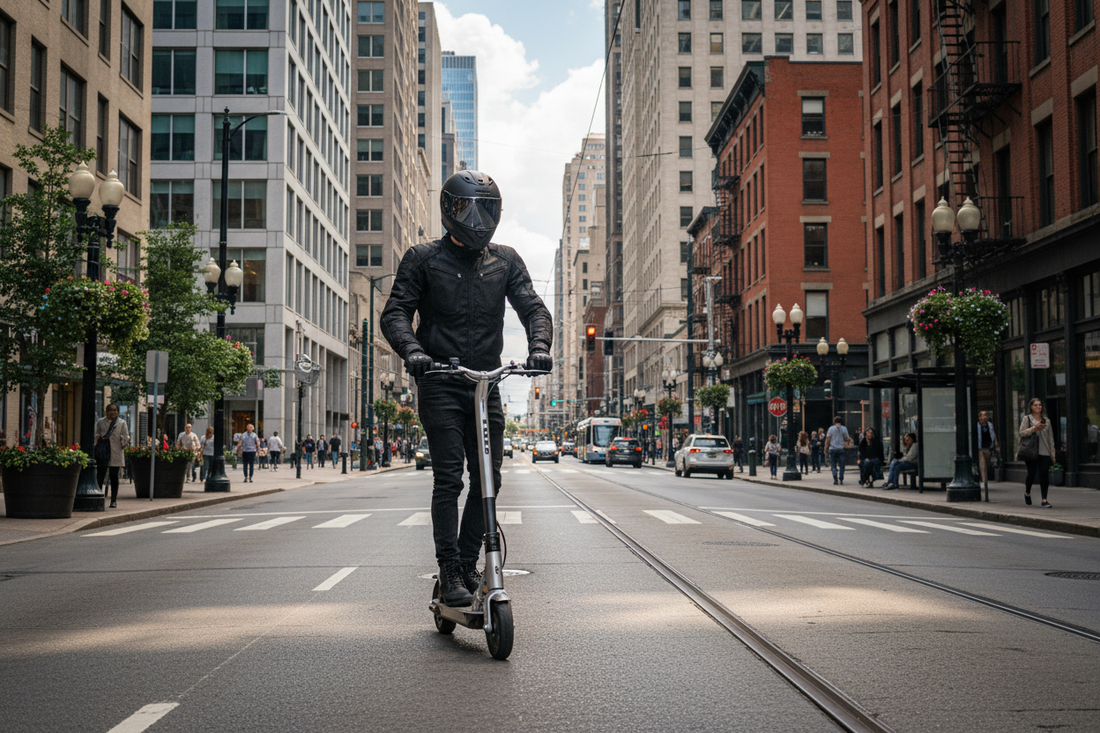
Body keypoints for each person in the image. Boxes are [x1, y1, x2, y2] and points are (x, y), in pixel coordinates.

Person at [380, 169, 552, 608]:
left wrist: (539, 347)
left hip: (486, 383)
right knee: (449, 479)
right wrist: (413, 352)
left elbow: (534, 308)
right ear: (449, 209)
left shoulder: (506, 261)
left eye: (486, 208)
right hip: (439, 380)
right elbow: (395, 313)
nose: (476, 217)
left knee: (489, 478)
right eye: (467, 207)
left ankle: (470, 563)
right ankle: (449, 569)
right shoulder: (422, 258)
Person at [1019, 398, 1056, 507]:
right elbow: (1021, 433)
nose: (1038, 407)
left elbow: (1050, 438)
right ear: (1031, 407)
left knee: (1044, 475)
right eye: (1035, 405)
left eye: (1040, 405)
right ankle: (1027, 492)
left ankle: (1044, 499)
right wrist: (1034, 428)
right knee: (1031, 473)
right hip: (1031, 451)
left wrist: (1052, 454)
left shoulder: (1046, 420)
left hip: (1044, 451)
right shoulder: (1027, 419)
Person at [94, 404, 130, 508]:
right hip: (103, 452)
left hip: (116, 452)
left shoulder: (121, 423)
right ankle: (99, 499)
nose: (113, 412)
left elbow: (126, 435)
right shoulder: (100, 422)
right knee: (100, 476)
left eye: (115, 410)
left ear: (118, 412)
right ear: (107, 411)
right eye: (110, 410)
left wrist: (124, 440)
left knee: (114, 476)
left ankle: (113, 500)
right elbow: (96, 435)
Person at [975, 410, 999, 488]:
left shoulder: (990, 425)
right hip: (980, 448)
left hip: (988, 447)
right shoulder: (977, 425)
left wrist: (996, 444)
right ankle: (985, 481)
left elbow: (993, 434)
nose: (983, 417)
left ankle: (984, 478)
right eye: (981, 415)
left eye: (985, 415)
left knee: (987, 463)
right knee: (983, 465)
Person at [825, 417, 851, 485]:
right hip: (841, 448)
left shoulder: (831, 429)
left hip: (832, 449)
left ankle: (835, 478)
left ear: (834, 422)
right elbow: (847, 438)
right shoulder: (844, 429)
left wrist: (826, 448)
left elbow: (828, 439)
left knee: (833, 465)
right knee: (841, 465)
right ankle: (841, 478)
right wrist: (847, 444)